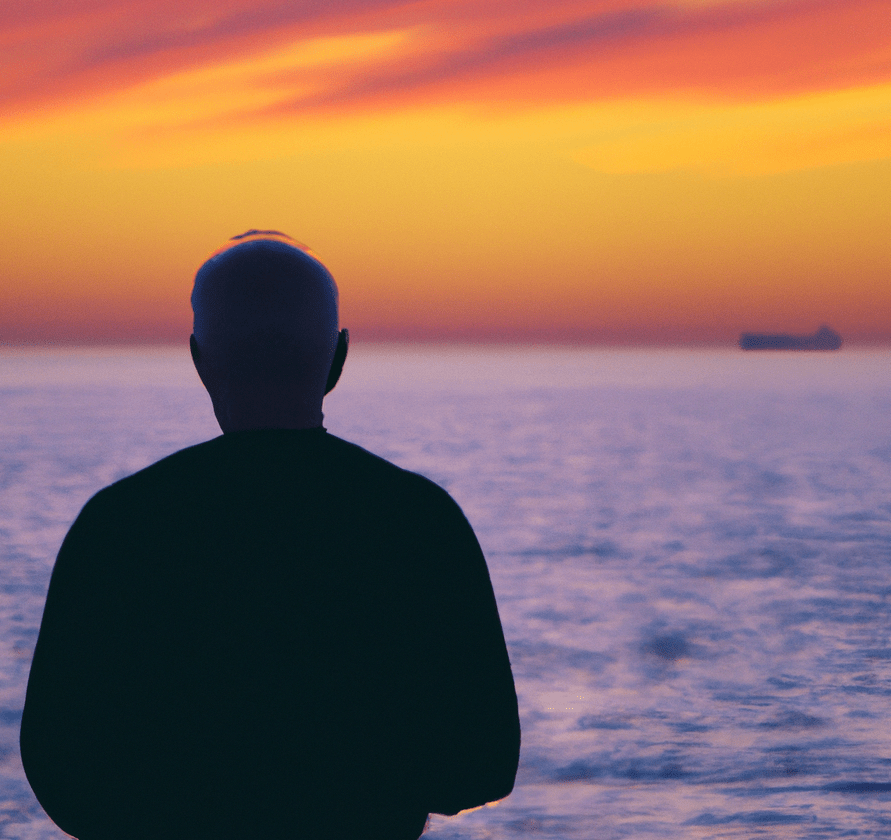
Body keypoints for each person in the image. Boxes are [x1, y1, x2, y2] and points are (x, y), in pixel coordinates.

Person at [20, 231, 520, 840]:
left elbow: (59, 768)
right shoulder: (419, 520)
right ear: (338, 359)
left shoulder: (119, 525)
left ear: (200, 361)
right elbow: (484, 764)